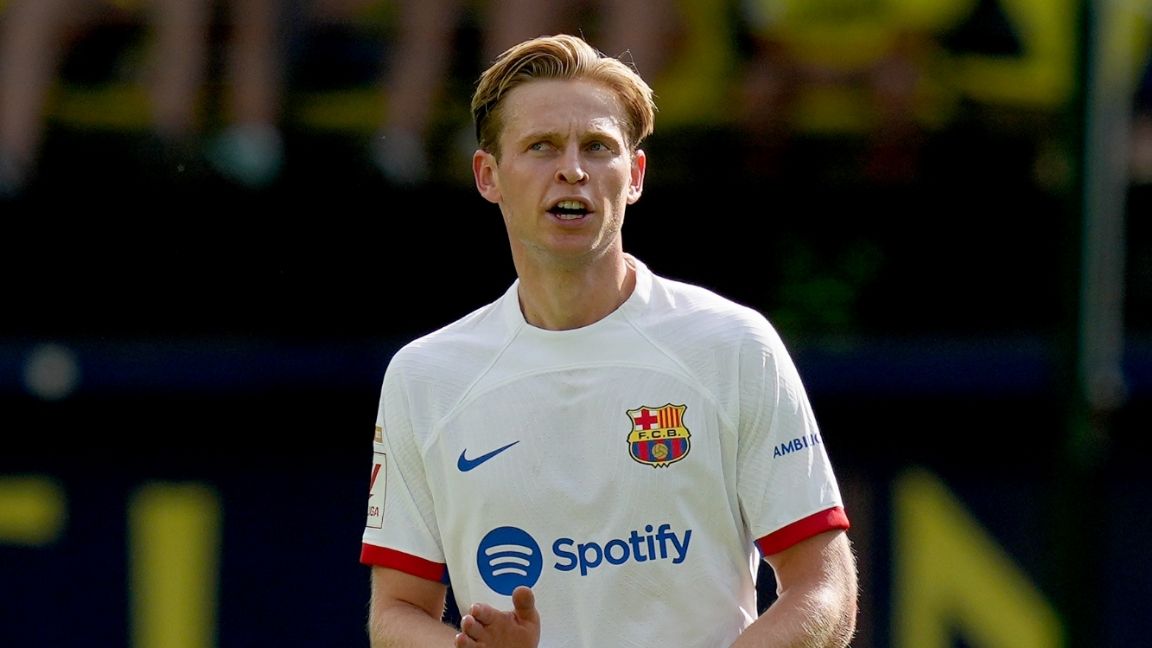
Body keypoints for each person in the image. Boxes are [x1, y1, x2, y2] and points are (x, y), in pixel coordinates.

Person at [359, 33, 858, 647]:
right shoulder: (426, 376)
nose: (572, 169)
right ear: (488, 176)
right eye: (541, 146)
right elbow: (396, 612)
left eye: (597, 147)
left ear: (635, 176)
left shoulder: (731, 344)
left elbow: (823, 587)